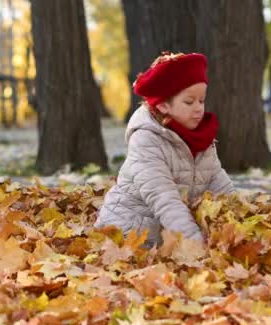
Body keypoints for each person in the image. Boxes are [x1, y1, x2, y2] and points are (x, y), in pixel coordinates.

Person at [95, 52, 235, 248]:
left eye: (201, 101)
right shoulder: (146, 140)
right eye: (189, 102)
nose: (198, 109)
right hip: (128, 237)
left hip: (168, 235)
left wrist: (240, 219)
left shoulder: (200, 136)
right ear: (162, 105)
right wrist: (193, 242)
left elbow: (217, 179)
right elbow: (163, 198)